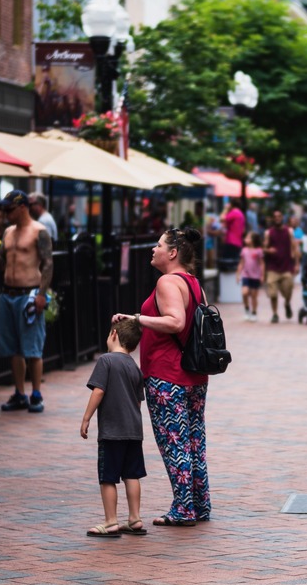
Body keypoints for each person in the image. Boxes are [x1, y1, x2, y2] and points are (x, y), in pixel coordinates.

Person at [112, 227, 211, 526]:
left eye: (157, 245)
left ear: (172, 253)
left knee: (174, 443)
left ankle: (183, 510)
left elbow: (175, 321)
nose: (152, 250)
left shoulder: (168, 281)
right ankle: (199, 504)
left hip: (167, 376)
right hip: (193, 374)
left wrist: (138, 318)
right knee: (194, 442)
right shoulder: (194, 284)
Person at [80, 316, 147, 538]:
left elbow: (98, 391)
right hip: (133, 431)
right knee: (131, 475)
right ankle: (135, 518)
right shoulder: (135, 367)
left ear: (114, 335)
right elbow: (138, 402)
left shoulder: (106, 361)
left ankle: (110, 521)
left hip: (112, 432)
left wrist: (87, 417)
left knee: (108, 477)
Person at [0, 189, 52, 413]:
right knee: (13, 348)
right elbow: (4, 265)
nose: (6, 213)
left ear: (22, 207)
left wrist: (40, 294)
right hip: (8, 294)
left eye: (9, 209)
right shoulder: (8, 231)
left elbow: (47, 264)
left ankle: (36, 394)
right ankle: (19, 393)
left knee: (33, 348)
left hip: (29, 294)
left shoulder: (39, 231)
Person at [262, 208, 299, 323]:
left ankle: (287, 303)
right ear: (273, 219)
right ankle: (275, 314)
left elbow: (295, 247)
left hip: (286, 266)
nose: (277, 218)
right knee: (273, 293)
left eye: (279, 216)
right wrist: (269, 250)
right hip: (272, 267)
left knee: (288, 289)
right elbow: (263, 248)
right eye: (275, 217)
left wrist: (297, 264)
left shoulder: (289, 231)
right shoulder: (268, 233)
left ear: (282, 218)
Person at [238, 230, 265, 322]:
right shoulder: (244, 250)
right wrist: (238, 273)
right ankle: (246, 309)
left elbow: (261, 264)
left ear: (253, 240)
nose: (245, 239)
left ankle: (254, 312)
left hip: (256, 276)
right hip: (246, 275)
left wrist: (262, 275)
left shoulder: (259, 251)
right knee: (244, 292)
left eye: (248, 238)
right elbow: (241, 263)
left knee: (254, 296)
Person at [216, 199, 246, 271]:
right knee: (234, 264)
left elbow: (221, 218)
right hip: (238, 242)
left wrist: (226, 209)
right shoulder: (241, 214)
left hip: (231, 241)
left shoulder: (234, 212)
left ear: (232, 205)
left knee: (227, 263)